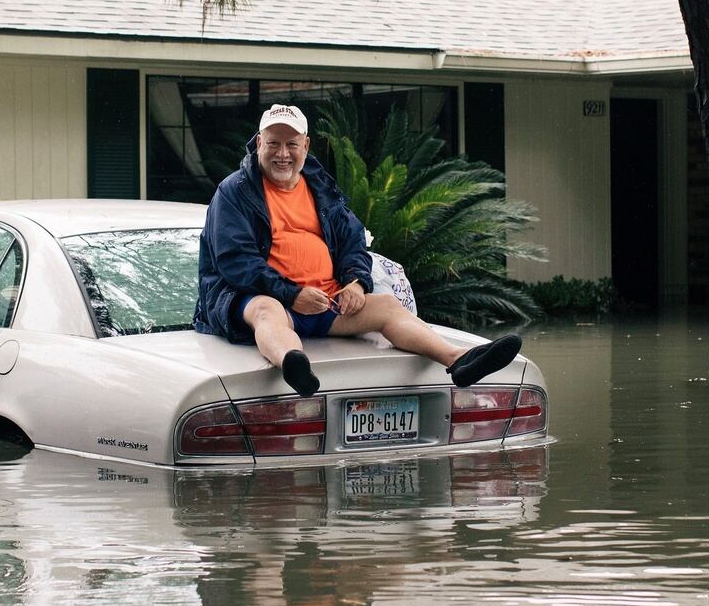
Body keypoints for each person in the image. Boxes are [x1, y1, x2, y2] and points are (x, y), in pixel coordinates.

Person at [193, 103, 522, 397]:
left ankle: (459, 361)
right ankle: (293, 365)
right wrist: (291, 294)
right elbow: (236, 261)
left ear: (305, 146)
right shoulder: (235, 191)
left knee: (387, 305)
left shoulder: (320, 188)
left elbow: (353, 241)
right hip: (259, 299)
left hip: (325, 300)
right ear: (259, 143)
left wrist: (356, 283)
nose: (283, 153)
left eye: (292, 144)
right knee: (267, 309)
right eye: (274, 143)